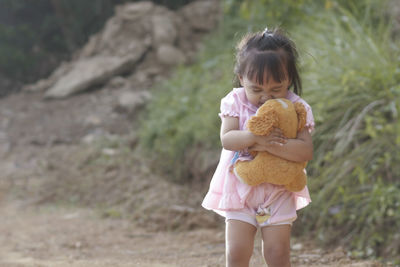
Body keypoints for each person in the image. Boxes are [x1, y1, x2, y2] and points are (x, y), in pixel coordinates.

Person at [202, 27, 315, 267]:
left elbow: (305, 151)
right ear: (242, 78)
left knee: (278, 252)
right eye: (256, 89)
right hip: (240, 186)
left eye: (276, 89)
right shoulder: (235, 101)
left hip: (279, 189)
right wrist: (256, 138)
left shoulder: (297, 108)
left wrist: (270, 146)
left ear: (289, 80)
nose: (266, 97)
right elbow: (228, 139)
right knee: (237, 252)